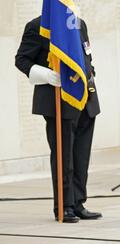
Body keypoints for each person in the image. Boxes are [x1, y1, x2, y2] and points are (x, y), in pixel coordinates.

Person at [15, 15, 102, 223]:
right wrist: (45, 75)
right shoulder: (38, 26)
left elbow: (86, 55)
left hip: (85, 97)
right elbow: (22, 60)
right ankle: (64, 205)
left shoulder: (79, 23)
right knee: (64, 156)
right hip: (58, 99)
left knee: (81, 155)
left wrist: (90, 72)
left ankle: (78, 202)